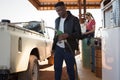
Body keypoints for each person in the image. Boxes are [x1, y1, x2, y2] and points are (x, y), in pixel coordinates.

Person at [51, 1, 82, 80]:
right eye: (57, 11)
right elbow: (56, 34)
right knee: (57, 68)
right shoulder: (57, 20)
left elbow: (78, 34)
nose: (59, 12)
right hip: (58, 48)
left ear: (65, 8)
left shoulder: (74, 19)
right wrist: (53, 48)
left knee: (70, 69)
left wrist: (68, 35)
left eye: (60, 10)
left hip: (69, 48)